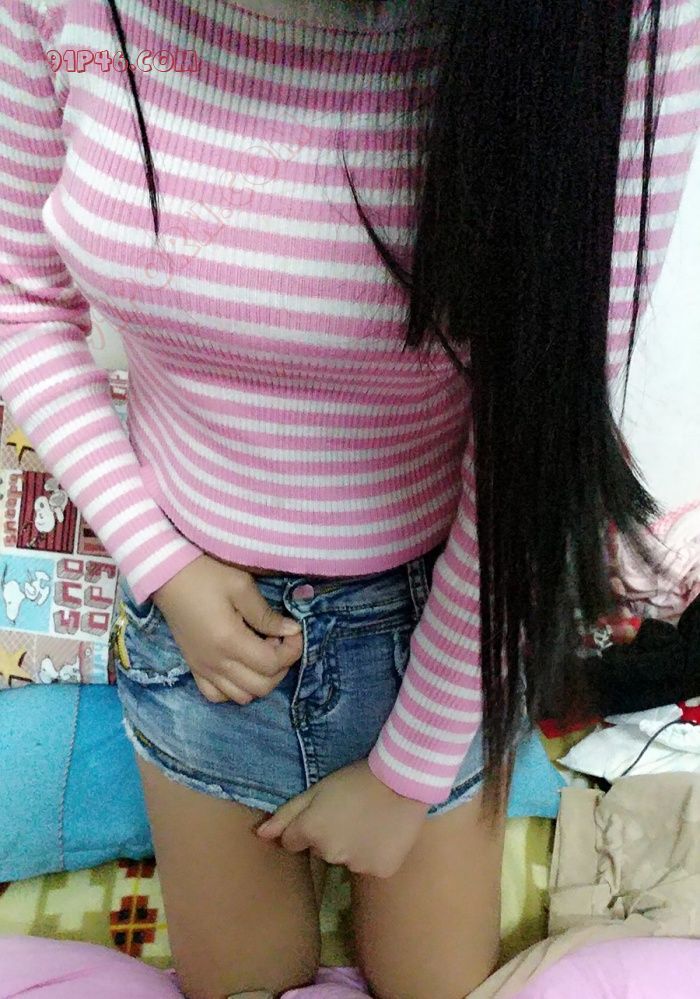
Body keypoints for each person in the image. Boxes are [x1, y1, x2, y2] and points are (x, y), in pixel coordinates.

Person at [0, 1, 698, 997]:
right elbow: (20, 297)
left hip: (446, 625)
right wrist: (159, 561)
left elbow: (532, 434)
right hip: (194, 633)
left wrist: (409, 772)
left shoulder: (618, 27)